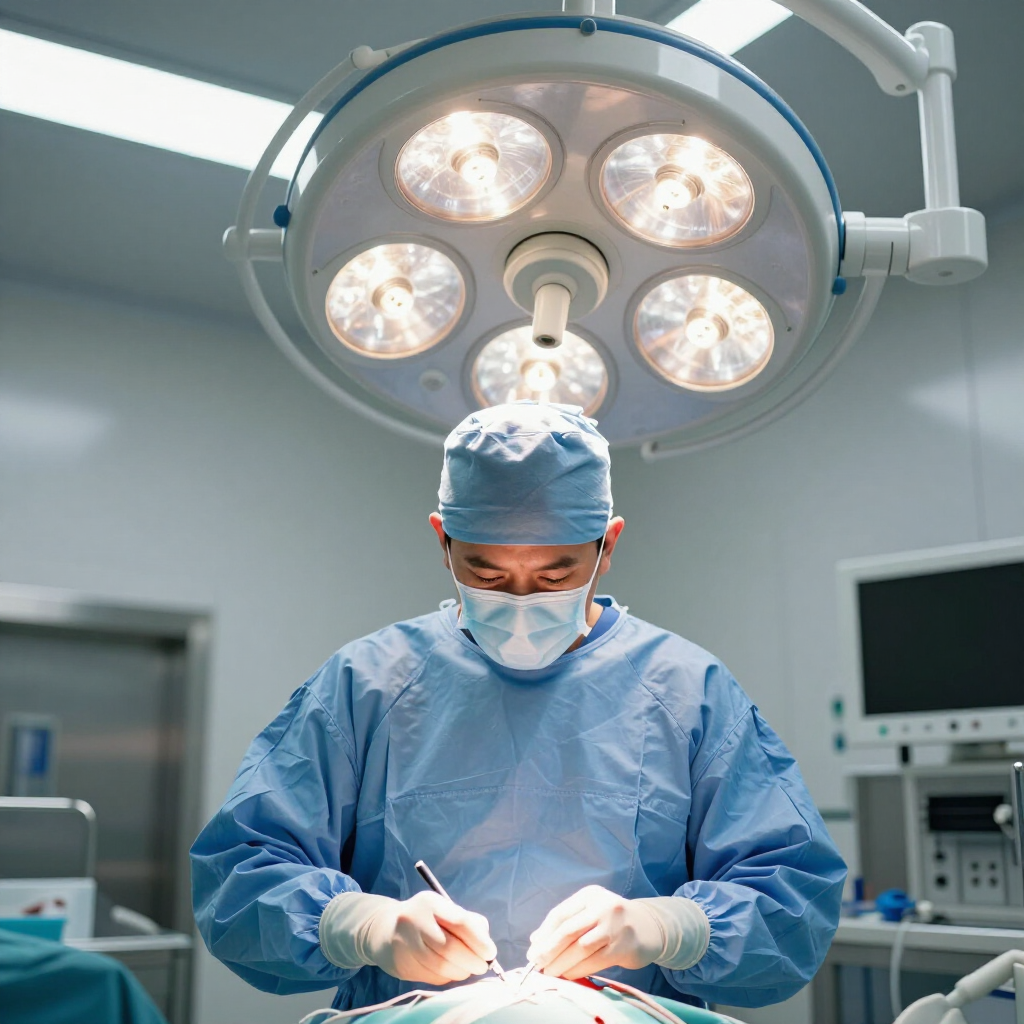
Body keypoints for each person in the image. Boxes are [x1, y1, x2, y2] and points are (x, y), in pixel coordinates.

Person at [191, 402, 846, 1013]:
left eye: (556, 576)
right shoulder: (368, 685)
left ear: (608, 546)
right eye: (487, 573)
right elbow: (239, 881)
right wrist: (363, 926)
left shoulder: (688, 693)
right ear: (442, 541)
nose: (523, 601)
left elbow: (794, 903)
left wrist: (668, 927)